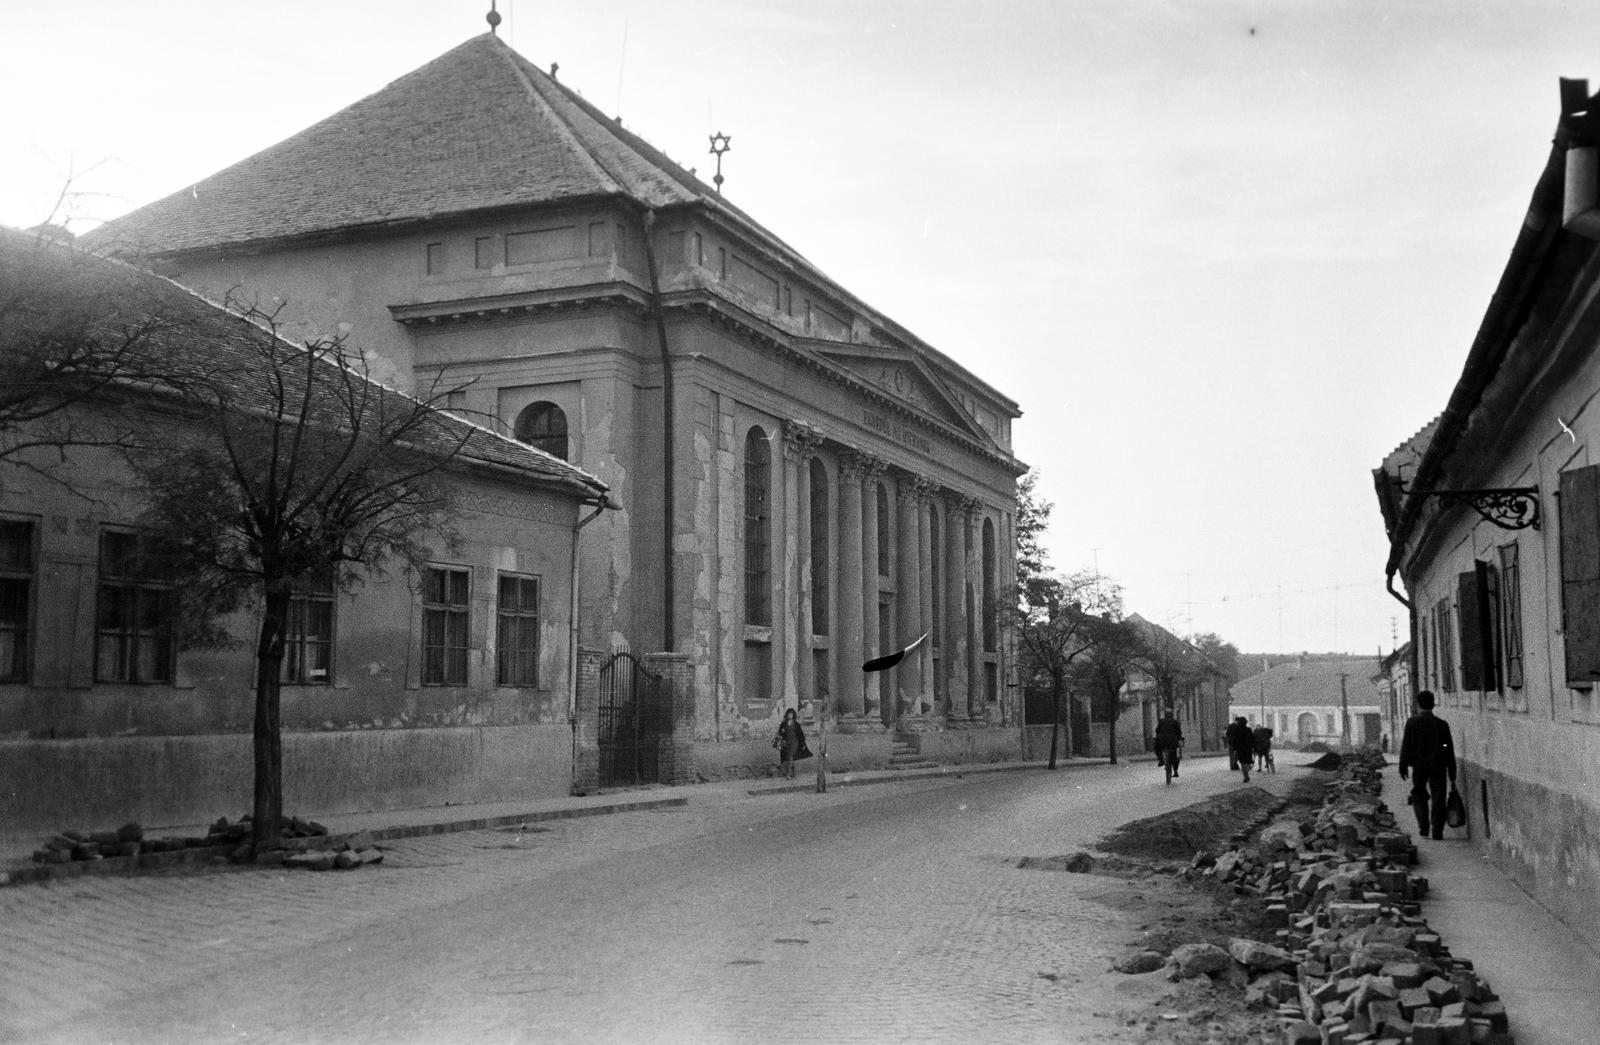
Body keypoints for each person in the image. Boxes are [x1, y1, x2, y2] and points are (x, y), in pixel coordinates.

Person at [1397, 690, 1456, 840]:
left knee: (1418, 795)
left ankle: (1423, 827)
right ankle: (1437, 831)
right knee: (1439, 798)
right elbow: (1448, 748)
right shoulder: (1442, 725)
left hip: (1419, 766)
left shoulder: (1412, 723)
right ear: (1433, 704)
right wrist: (1452, 770)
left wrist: (1403, 765)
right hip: (1438, 766)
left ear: (1418, 704)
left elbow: (1406, 745)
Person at [773, 708, 810, 780]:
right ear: (787, 715)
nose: (790, 715)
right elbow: (780, 732)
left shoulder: (796, 724)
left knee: (790, 756)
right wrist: (782, 732)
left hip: (794, 742)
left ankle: (788, 774)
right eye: (789, 714)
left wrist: (803, 744)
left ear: (793, 715)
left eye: (791, 714)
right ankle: (794, 774)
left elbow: (801, 735)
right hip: (785, 743)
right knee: (790, 758)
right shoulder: (783, 723)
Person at [1225, 716, 1255, 783]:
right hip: (1248, 748)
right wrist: (1253, 747)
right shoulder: (1248, 729)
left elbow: (1235, 739)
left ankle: (1245, 776)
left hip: (1240, 748)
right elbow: (1252, 739)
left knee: (1242, 763)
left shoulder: (1236, 730)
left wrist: (1234, 748)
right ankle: (1247, 773)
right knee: (1247, 762)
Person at [1153, 712, 1184, 777]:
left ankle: (1161, 759)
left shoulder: (1161, 721)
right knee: (1175, 756)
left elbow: (1157, 730)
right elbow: (1179, 732)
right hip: (1173, 741)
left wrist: (1159, 736)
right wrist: (1179, 738)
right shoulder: (1175, 722)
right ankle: (1175, 771)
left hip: (1162, 740)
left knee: (1157, 748)